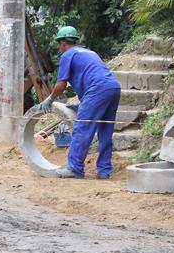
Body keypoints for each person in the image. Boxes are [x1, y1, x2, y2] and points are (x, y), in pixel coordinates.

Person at [40, 26, 121, 179]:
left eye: (59, 44)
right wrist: (82, 105)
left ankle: (75, 168)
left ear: (63, 43)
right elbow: (93, 76)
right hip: (113, 87)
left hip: (98, 89)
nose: (60, 47)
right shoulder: (89, 52)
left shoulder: (67, 55)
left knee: (82, 127)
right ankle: (104, 171)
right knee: (105, 130)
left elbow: (61, 85)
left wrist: (50, 99)